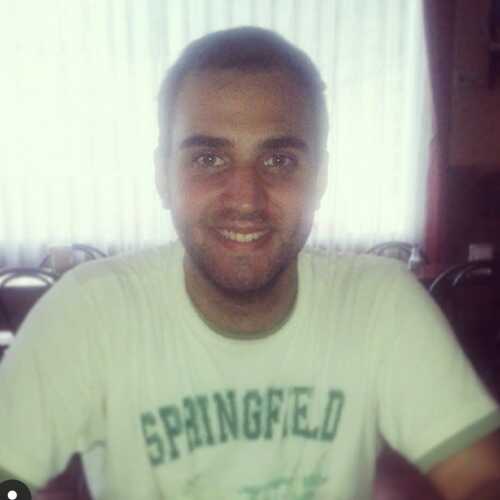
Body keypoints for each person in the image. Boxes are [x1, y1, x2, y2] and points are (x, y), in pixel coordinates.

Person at [1, 26, 500, 500]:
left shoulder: (379, 302)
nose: (245, 197)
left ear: (319, 178)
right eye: (208, 159)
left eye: (279, 160)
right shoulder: (89, 311)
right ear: (162, 176)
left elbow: (481, 476)